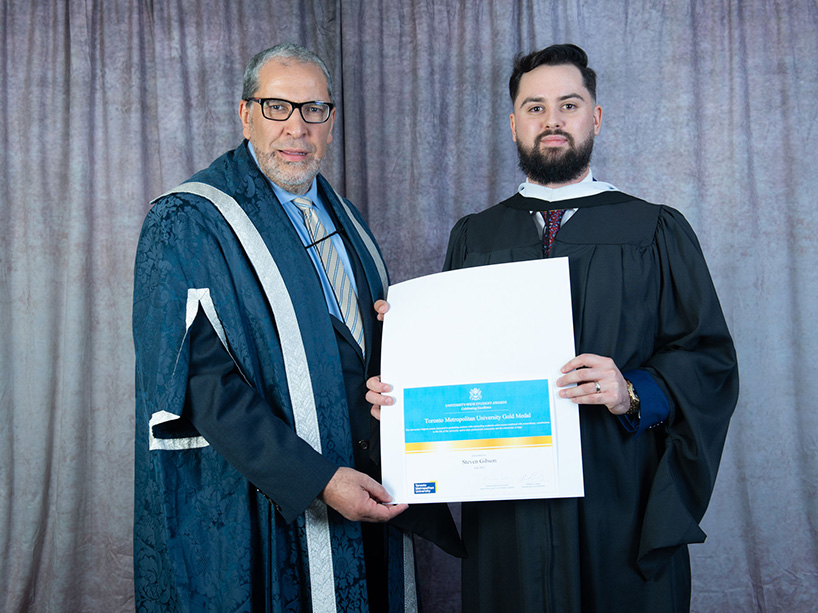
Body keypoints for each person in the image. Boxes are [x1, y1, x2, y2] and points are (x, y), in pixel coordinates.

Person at [367, 43, 739, 611]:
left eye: (569, 104)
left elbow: (708, 361)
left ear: (595, 116)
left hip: (618, 498)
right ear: (514, 122)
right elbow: (457, 368)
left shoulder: (654, 229)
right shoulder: (476, 236)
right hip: (506, 511)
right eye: (535, 107)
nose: (552, 120)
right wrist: (409, 349)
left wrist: (633, 389)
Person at [133, 43, 462, 612]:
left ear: (330, 122)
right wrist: (317, 480)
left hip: (365, 485)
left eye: (314, 110)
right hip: (258, 503)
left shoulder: (344, 217)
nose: (297, 128)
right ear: (246, 115)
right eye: (277, 107)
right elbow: (201, 384)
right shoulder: (187, 221)